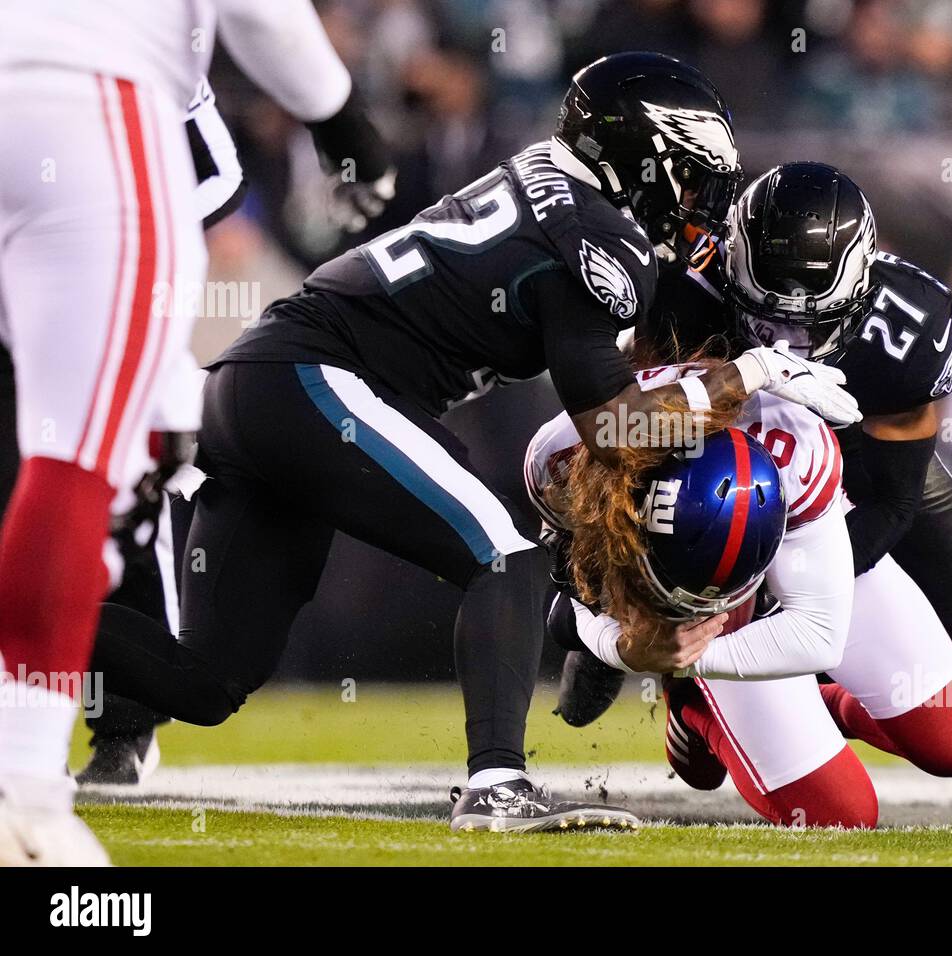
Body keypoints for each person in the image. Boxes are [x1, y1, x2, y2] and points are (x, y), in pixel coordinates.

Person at [84, 53, 862, 834]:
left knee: (206, 681)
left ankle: (25, 610)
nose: (693, 202)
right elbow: (616, 428)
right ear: (642, 161)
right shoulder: (602, 240)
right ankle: (496, 786)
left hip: (261, 381)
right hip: (314, 379)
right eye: (689, 177)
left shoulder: (552, 182)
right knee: (506, 556)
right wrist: (749, 372)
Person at [0, 0, 393, 866]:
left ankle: (101, 732)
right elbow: (262, 13)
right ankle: (22, 789)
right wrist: (343, 119)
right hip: (90, 111)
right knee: (85, 463)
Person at [556, 162, 952, 729]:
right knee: (573, 610)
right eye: (767, 319)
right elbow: (626, 447)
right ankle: (638, 650)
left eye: (812, 325)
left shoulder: (909, 335)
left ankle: (764, 704)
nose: (789, 343)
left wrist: (781, 595)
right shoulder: (683, 295)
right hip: (717, 459)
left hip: (854, 458)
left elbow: (893, 503)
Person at [532, 359, 952, 828]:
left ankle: (712, 693)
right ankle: (697, 707)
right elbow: (580, 588)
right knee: (843, 816)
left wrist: (681, 658)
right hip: (672, 596)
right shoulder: (566, 457)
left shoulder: (800, 452)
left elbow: (817, 634)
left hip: (805, 555)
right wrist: (626, 645)